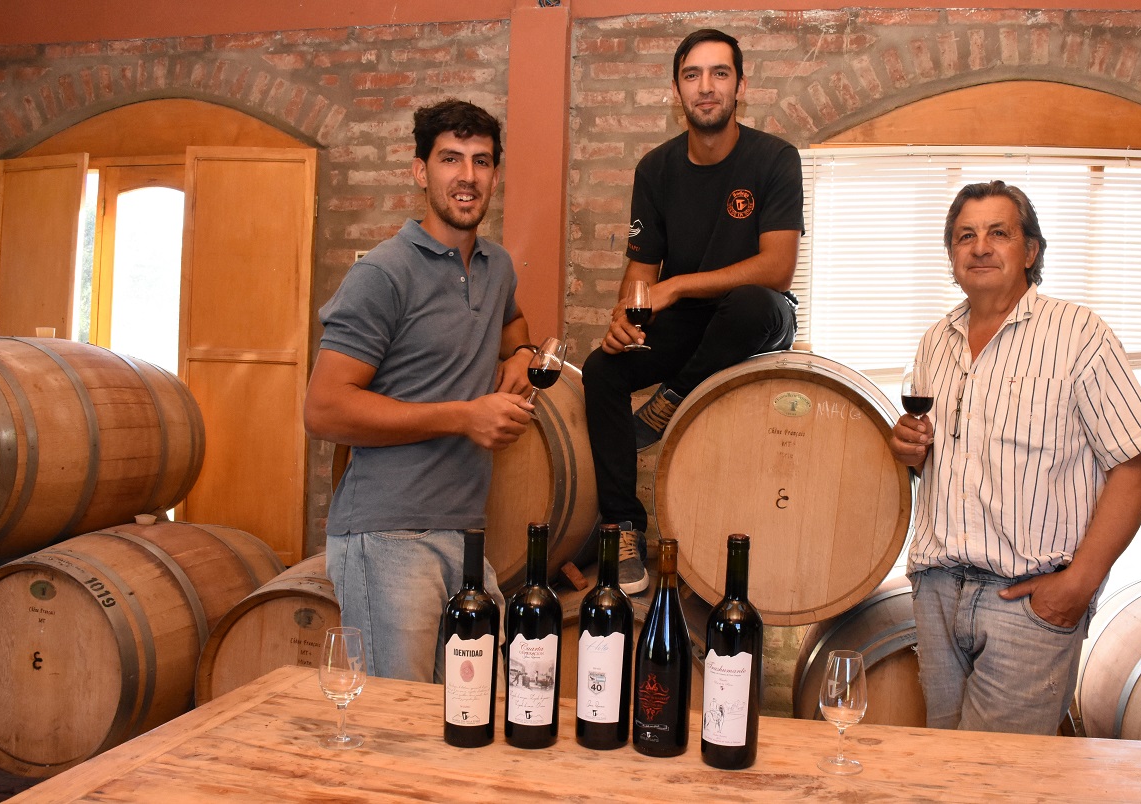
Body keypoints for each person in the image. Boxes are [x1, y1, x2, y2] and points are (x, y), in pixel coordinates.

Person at [888, 180, 1141, 735]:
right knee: (945, 771)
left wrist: (1078, 584)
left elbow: (1135, 470)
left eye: (999, 233)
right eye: (965, 235)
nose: (980, 247)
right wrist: (909, 450)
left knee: (995, 783)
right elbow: (949, 461)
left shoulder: (1079, 335)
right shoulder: (934, 342)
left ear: (1030, 251)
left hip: (1027, 599)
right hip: (938, 592)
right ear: (951, 254)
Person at [304, 99, 536, 681]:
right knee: (395, 728)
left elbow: (512, 321)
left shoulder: (496, 266)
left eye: (481, 161)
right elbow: (324, 409)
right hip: (387, 533)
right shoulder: (383, 274)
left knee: (467, 719)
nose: (467, 176)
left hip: (465, 531)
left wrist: (523, 354)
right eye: (450, 159)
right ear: (420, 171)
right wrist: (463, 416)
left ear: (495, 176)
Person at [582, 29, 802, 593]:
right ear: (676, 90)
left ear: (740, 87)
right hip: (689, 328)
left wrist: (677, 286)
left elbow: (776, 267)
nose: (706, 88)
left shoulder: (774, 158)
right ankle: (623, 528)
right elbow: (640, 273)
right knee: (604, 369)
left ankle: (672, 400)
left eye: (719, 74)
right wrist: (624, 320)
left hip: (757, 321)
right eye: (692, 75)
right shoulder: (654, 170)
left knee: (751, 302)